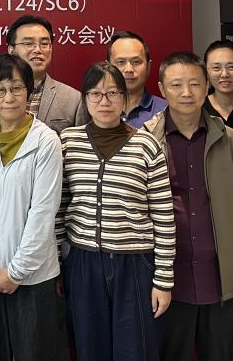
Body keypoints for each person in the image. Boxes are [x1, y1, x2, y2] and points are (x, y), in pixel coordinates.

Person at [57, 62, 175, 361]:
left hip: (134, 265)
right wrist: (58, 262)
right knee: (89, 348)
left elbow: (164, 217)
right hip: (83, 263)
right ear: (85, 98)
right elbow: (60, 207)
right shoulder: (69, 142)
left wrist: (163, 280)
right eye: (95, 94)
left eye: (112, 93)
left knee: (134, 350)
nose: (104, 101)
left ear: (124, 97)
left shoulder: (147, 145)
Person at [143, 52, 233, 361]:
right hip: (167, 280)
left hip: (219, 279)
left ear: (207, 87)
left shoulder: (232, 141)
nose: (186, 92)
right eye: (176, 85)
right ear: (162, 88)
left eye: (195, 84)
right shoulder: (144, 141)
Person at [0, 53, 65, 360]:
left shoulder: (46, 141)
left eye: (16, 88)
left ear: (29, 91)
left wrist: (16, 271)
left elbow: (43, 212)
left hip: (33, 276)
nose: (8, 98)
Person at [4, 14, 86, 133]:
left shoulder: (74, 99)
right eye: (28, 43)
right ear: (11, 50)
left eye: (44, 44)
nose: (38, 50)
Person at [107, 30, 168, 127]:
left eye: (136, 62)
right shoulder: (95, 109)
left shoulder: (166, 111)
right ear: (108, 67)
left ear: (148, 66)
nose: (129, 69)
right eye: (121, 62)